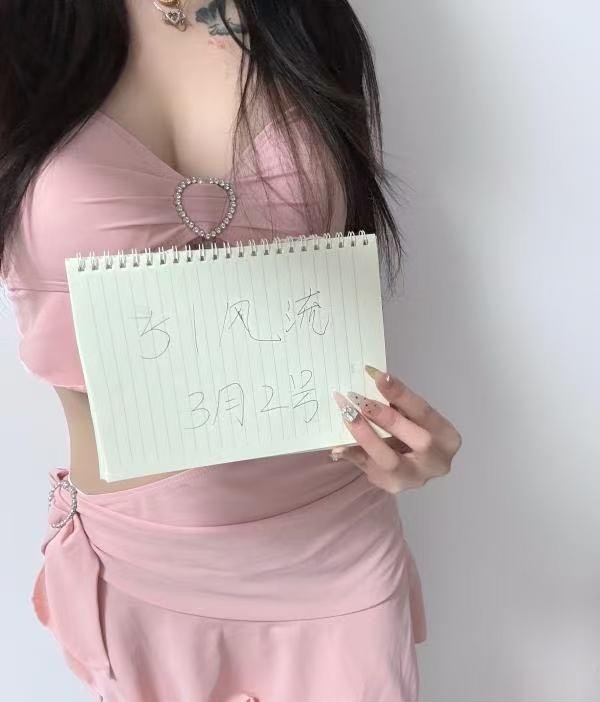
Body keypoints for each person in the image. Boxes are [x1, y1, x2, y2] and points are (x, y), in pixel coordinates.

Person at [0, 1, 462, 700]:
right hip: (142, 569)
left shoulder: (304, 18)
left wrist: (400, 442)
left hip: (337, 548)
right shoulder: (21, 30)